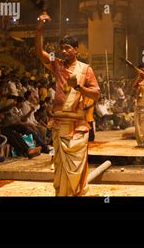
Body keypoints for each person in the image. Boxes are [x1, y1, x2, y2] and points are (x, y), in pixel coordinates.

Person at [36, 13, 100, 196]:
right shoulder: (57, 65)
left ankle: (76, 193)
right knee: (60, 165)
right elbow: (40, 54)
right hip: (59, 124)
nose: (63, 52)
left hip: (77, 125)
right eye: (61, 48)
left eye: (67, 48)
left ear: (75, 50)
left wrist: (79, 87)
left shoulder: (85, 69)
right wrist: (40, 29)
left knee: (76, 164)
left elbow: (96, 94)